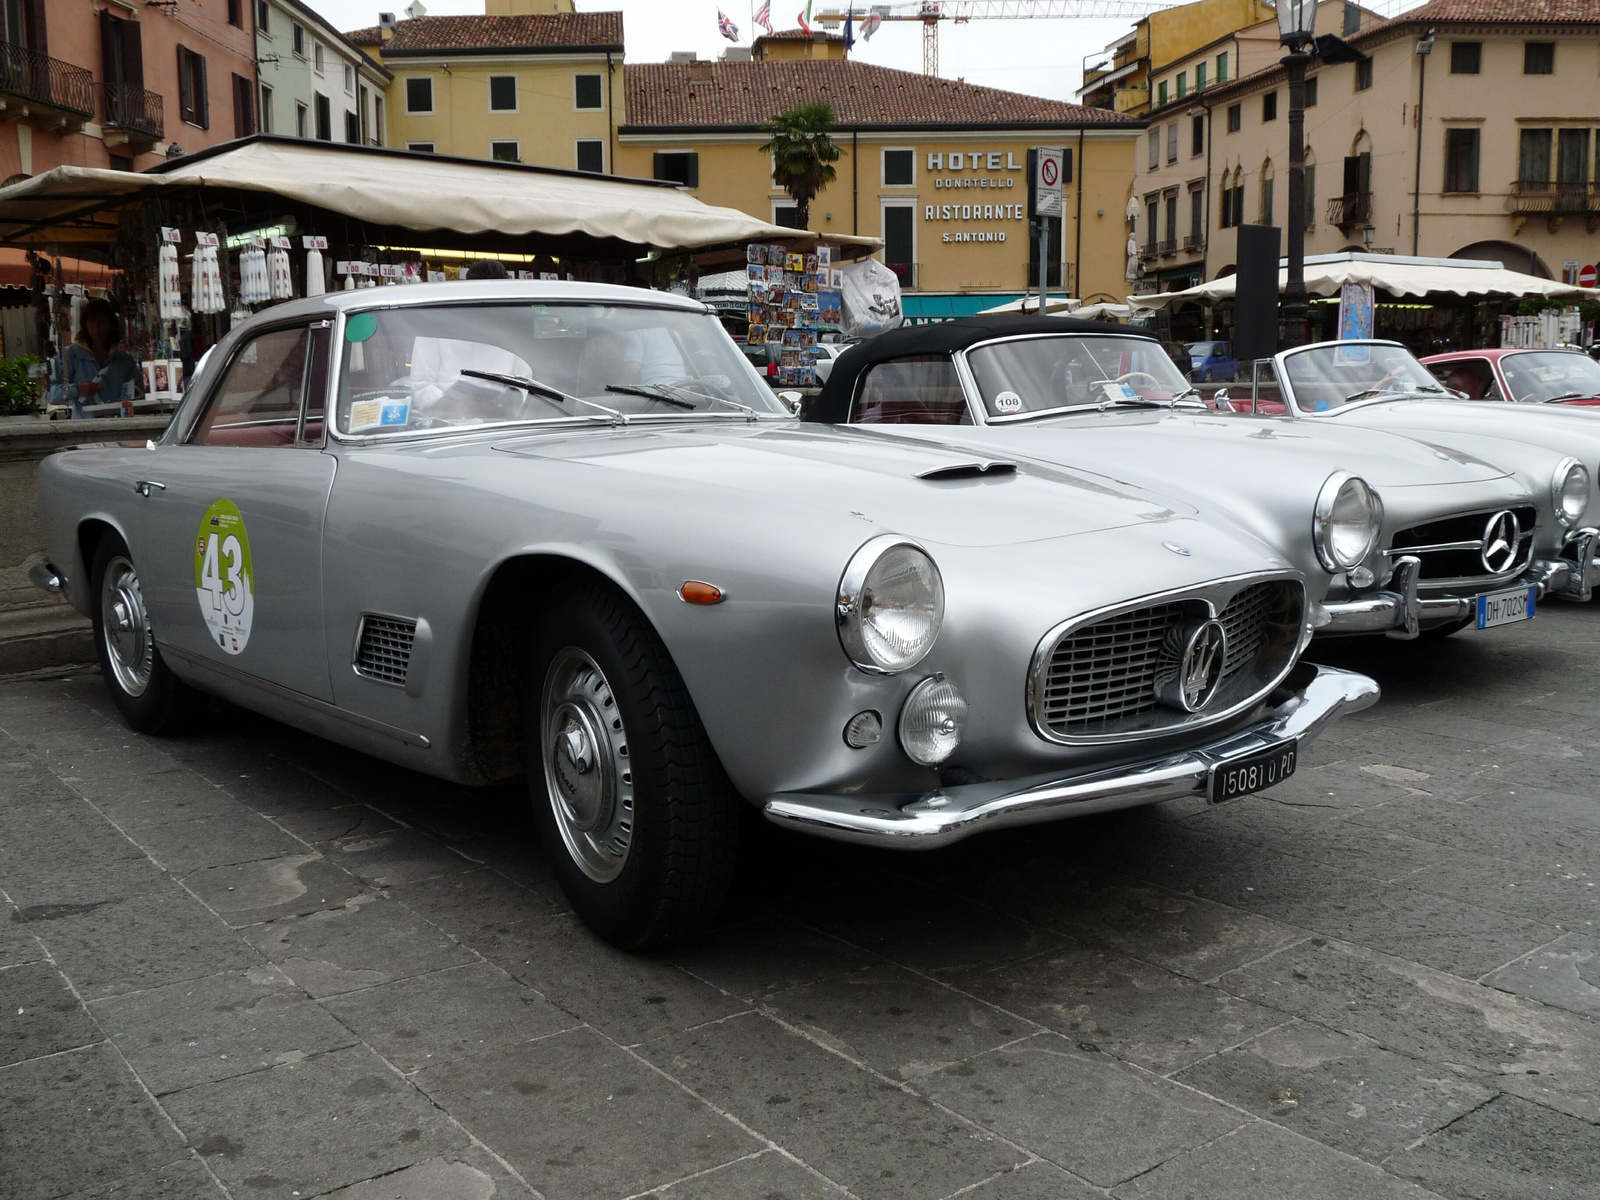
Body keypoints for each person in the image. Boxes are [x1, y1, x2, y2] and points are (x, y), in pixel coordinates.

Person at [48, 299, 140, 418]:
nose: (96, 327)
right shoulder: (70, 356)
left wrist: (135, 393)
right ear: (85, 325)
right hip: (86, 428)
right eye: (91, 322)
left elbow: (141, 390)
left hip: (120, 427)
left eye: (101, 322)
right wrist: (77, 389)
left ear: (111, 324)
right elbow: (51, 394)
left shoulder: (124, 360)